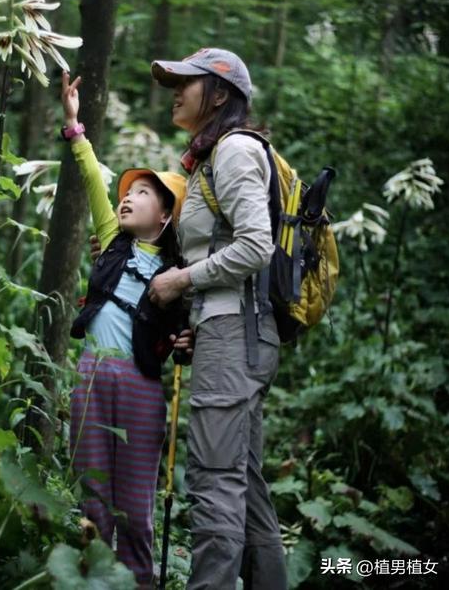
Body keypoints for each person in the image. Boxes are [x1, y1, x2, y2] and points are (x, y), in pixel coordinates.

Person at [147, 48, 288, 590]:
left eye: (187, 81)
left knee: (214, 481)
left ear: (221, 95)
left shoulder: (233, 151)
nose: (175, 91)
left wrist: (180, 282)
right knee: (245, 485)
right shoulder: (213, 159)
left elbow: (256, 247)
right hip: (231, 333)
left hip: (237, 335)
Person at [60, 70, 192, 588]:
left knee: (136, 505)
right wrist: (75, 128)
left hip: (142, 386)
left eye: (144, 193)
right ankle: (93, 576)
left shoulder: (181, 272)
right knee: (93, 495)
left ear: (166, 218)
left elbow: (189, 327)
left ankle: (139, 580)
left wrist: (186, 338)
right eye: (129, 190)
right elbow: (94, 176)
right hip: (93, 372)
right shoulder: (111, 237)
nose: (129, 195)